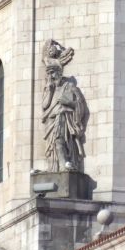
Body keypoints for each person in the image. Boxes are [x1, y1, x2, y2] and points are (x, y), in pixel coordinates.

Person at [41, 39, 89, 172]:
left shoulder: (69, 86)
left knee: (59, 140)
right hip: (51, 119)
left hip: (64, 118)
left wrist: (68, 102)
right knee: (55, 143)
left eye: (52, 72)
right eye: (49, 73)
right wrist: (50, 91)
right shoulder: (49, 88)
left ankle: (64, 165)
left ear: (59, 72)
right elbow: (45, 106)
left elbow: (80, 104)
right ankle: (56, 167)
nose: (50, 75)